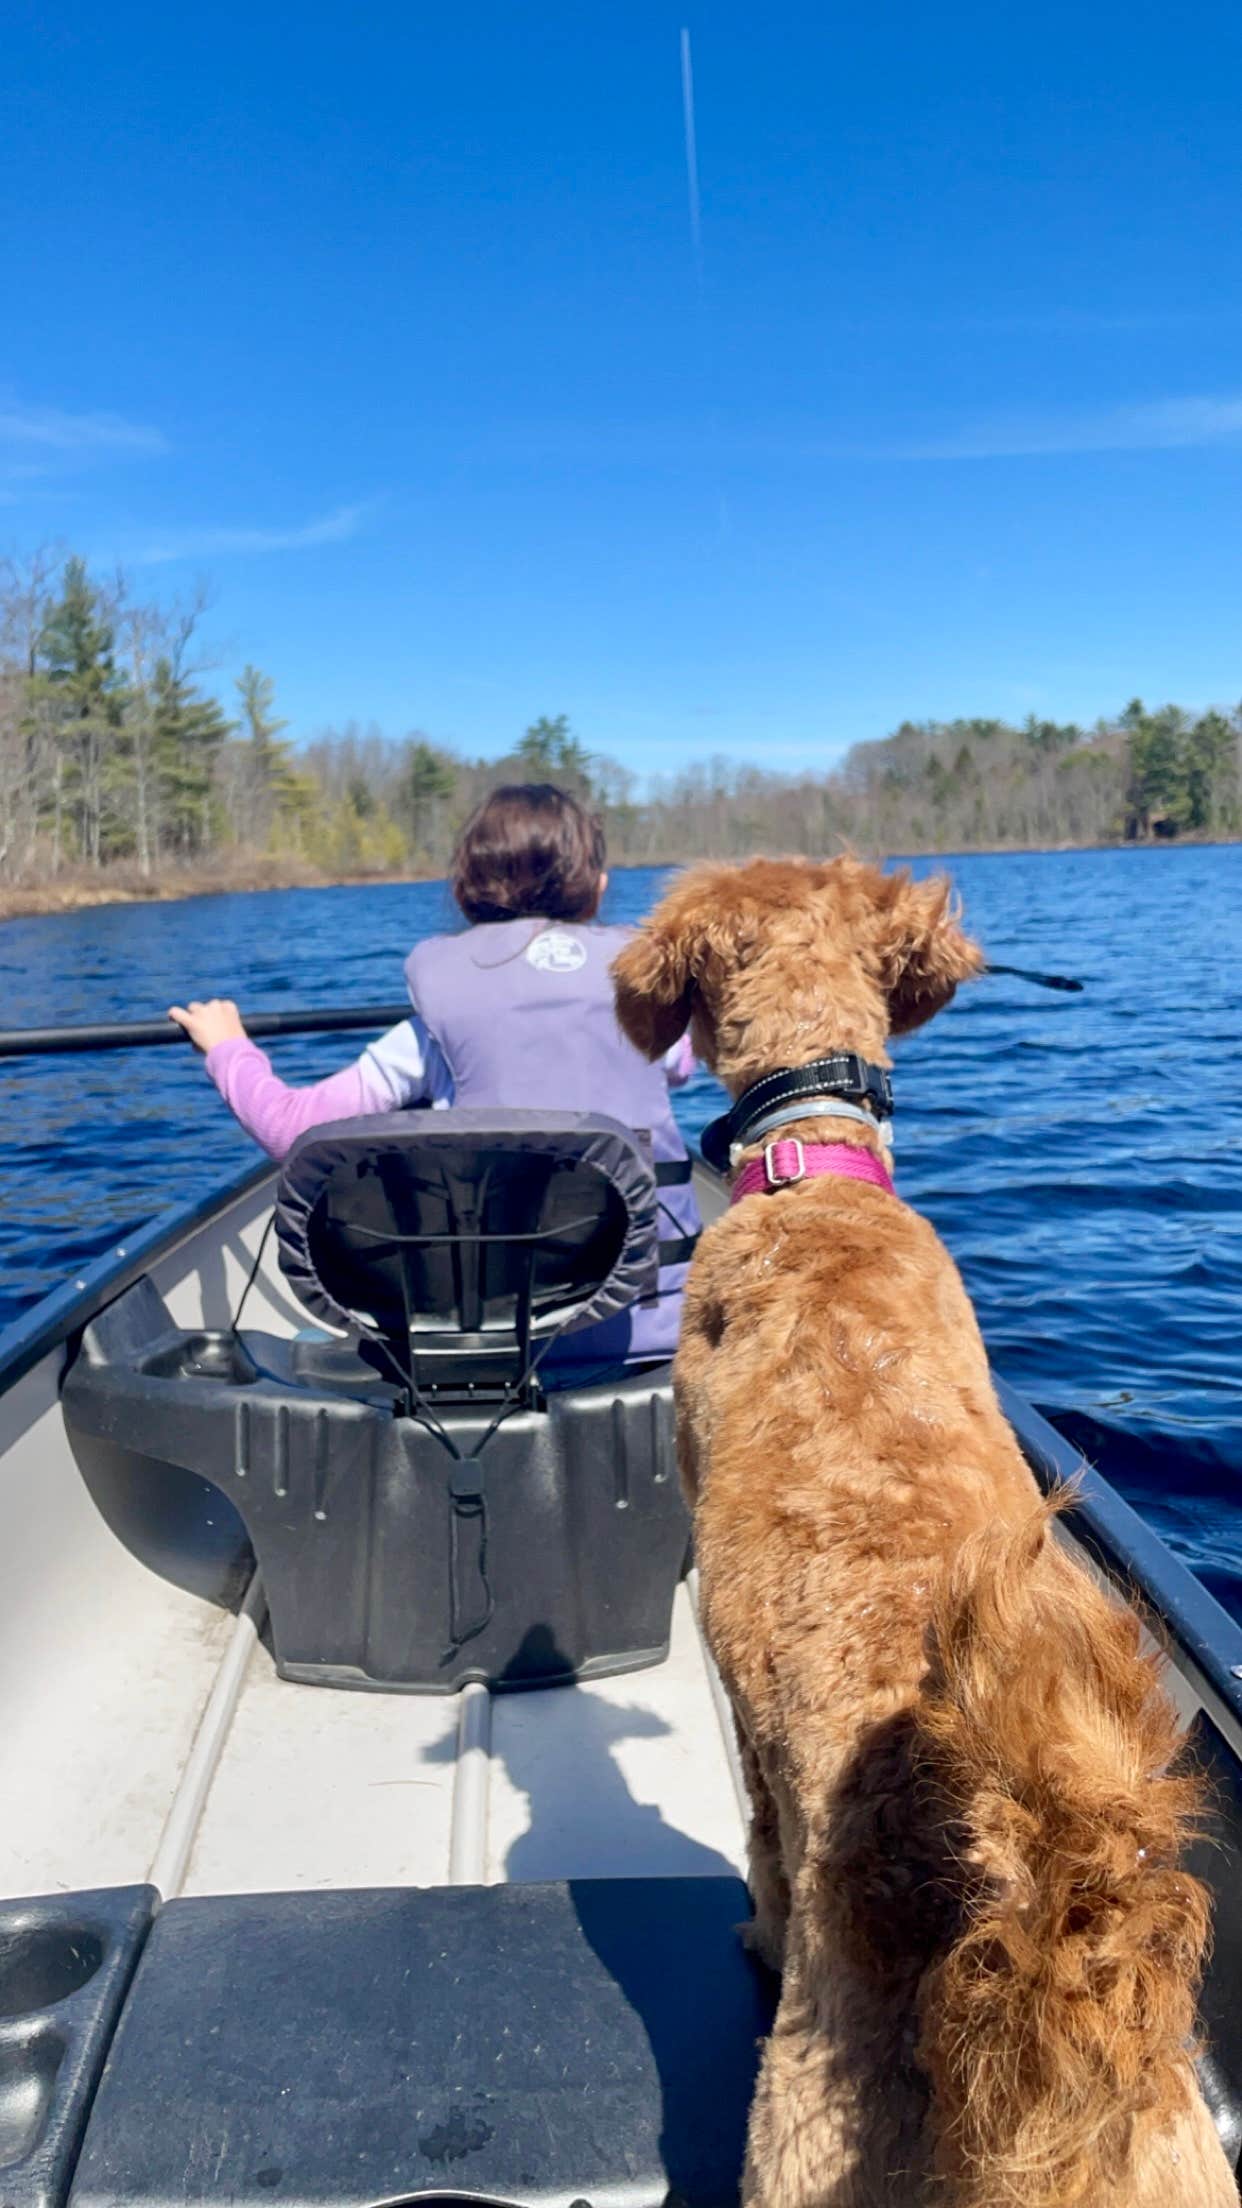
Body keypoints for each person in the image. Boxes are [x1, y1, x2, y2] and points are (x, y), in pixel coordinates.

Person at [170, 783, 700, 1367]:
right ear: (598, 890)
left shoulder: (429, 1037)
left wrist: (227, 1047)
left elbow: (287, 1129)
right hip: (658, 1334)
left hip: (501, 1343)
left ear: (461, 891)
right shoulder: (650, 1013)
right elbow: (681, 1063)